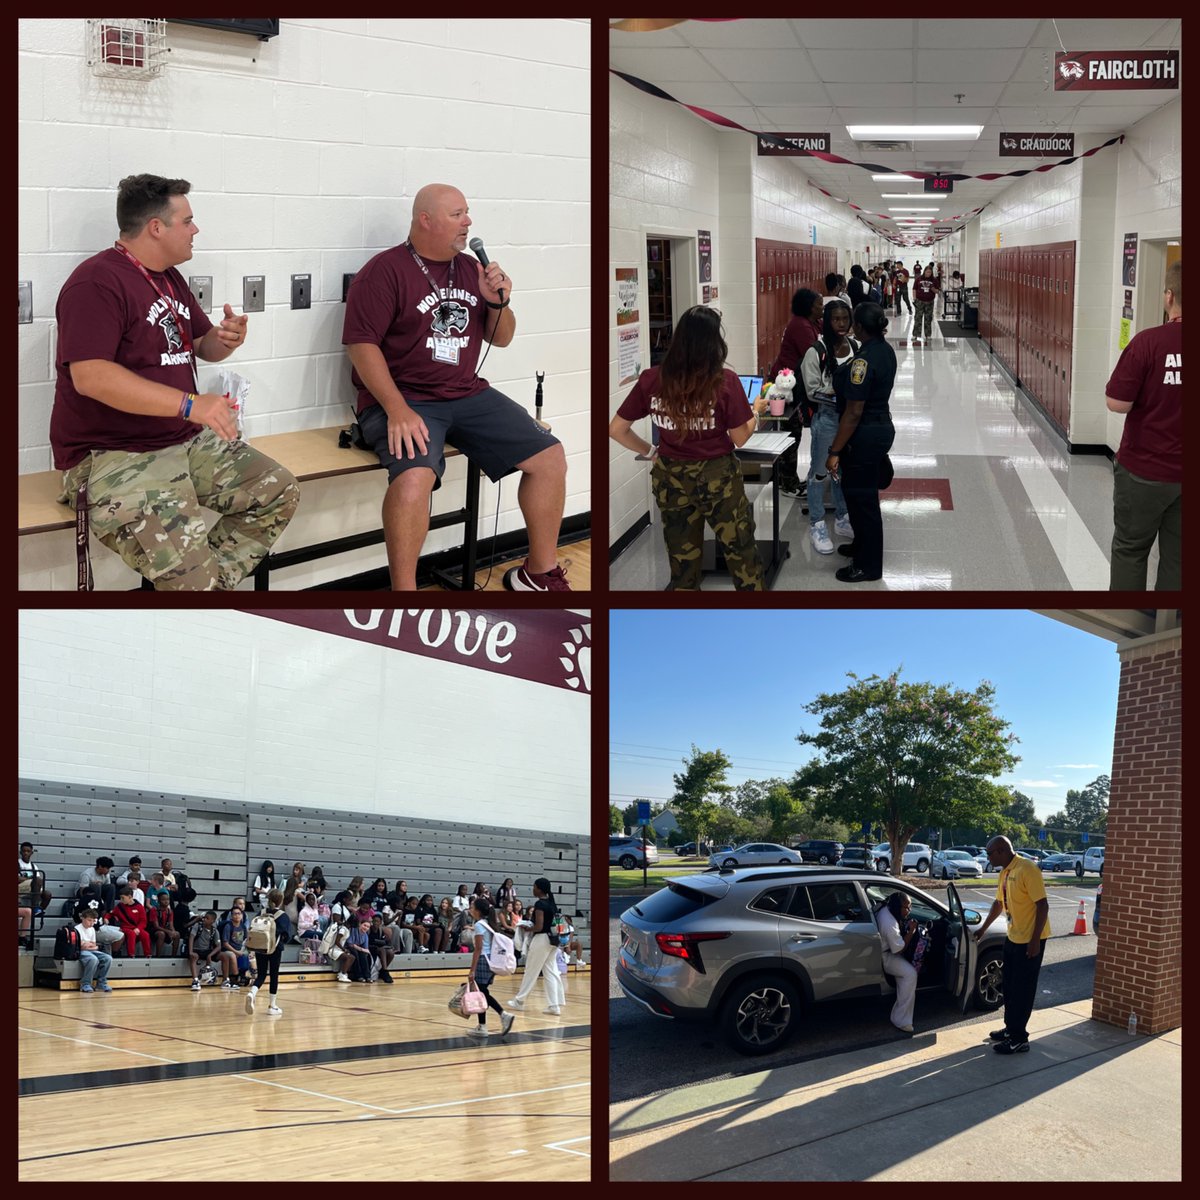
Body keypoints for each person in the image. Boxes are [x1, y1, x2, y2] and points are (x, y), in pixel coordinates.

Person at [51, 173, 299, 590]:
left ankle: (203, 587)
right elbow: (91, 377)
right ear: (156, 227)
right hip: (114, 457)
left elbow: (200, 344)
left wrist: (224, 340)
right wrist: (190, 404)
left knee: (277, 491)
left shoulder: (168, 278)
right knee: (193, 583)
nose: (195, 229)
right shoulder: (96, 283)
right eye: (187, 221)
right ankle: (198, 590)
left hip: (181, 442)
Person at [342, 182, 569, 591]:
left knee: (549, 457)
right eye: (457, 214)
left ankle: (538, 573)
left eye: (467, 213)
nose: (468, 222)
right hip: (404, 398)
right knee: (414, 479)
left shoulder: (470, 270)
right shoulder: (384, 271)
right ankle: (405, 593)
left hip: (466, 393)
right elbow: (361, 347)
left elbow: (501, 338)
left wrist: (499, 301)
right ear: (424, 220)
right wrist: (397, 409)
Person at [610, 305, 768, 591]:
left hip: (671, 479)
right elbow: (741, 437)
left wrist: (651, 451)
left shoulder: (652, 379)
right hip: (718, 478)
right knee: (741, 554)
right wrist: (756, 412)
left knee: (682, 563)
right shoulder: (725, 381)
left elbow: (616, 429)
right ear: (713, 343)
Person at [1105, 260, 1182, 590]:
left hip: (1144, 470)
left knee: (1131, 550)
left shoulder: (1149, 342)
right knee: (1180, 558)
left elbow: (1117, 403)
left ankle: (1128, 624)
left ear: (1169, 295)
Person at [827, 303, 897, 583]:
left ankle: (868, 566)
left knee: (862, 499)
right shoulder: (885, 350)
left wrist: (834, 451)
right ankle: (860, 547)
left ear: (859, 327)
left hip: (865, 432)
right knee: (857, 493)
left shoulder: (862, 361)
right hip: (879, 427)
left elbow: (854, 411)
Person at [974, 836, 1051, 1054]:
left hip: (1031, 939)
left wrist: (1035, 941)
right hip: (1014, 936)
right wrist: (983, 929)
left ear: (1000, 851)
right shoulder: (1005, 872)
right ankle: (1010, 1029)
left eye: (989, 854)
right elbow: (999, 903)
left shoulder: (1027, 869)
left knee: (1023, 989)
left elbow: (1043, 906)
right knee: (1008, 985)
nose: (987, 858)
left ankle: (1019, 1038)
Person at [800, 300, 858, 556]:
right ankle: (817, 523)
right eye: (836, 319)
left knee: (841, 469)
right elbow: (812, 392)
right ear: (826, 321)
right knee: (820, 471)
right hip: (827, 419)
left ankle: (843, 516)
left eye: (845, 318)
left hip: (851, 419)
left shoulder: (855, 346)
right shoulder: (816, 351)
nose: (842, 324)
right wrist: (840, 392)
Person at [768, 287, 825, 495]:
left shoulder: (812, 322)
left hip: (794, 383)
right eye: (819, 304)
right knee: (791, 433)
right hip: (785, 386)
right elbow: (814, 354)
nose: (823, 307)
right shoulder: (800, 326)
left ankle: (788, 478)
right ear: (809, 307)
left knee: (795, 431)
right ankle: (787, 483)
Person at [506, 877, 564, 1015]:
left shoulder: (540, 904)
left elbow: (539, 926)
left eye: (534, 886)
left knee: (531, 971)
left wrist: (526, 928)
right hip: (553, 940)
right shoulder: (551, 903)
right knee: (550, 972)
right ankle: (554, 1005)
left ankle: (519, 1001)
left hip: (541, 940)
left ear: (539, 888)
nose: (533, 889)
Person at [465, 897, 516, 1040]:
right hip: (491, 961)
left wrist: (472, 970)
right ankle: (482, 1026)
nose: (470, 909)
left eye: (472, 906)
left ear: (478, 910)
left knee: (481, 994)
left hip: (482, 961)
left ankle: (502, 1015)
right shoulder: (489, 923)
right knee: (482, 992)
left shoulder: (479, 925)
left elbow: (478, 949)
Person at [875, 892, 919, 1033]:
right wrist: (911, 931)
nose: (909, 910)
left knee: (906, 973)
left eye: (910, 907)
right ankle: (901, 1020)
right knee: (910, 974)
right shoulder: (890, 923)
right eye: (906, 907)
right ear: (897, 907)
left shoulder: (885, 910)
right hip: (885, 956)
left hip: (885, 950)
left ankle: (900, 1014)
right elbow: (899, 949)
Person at [245, 888, 290, 1015]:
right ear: (281, 900)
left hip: (260, 947)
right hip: (275, 948)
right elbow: (287, 935)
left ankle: (252, 993)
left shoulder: (261, 912)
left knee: (261, 975)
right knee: (274, 975)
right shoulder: (282, 916)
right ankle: (272, 1006)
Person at [75, 910, 114, 994]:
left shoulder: (92, 929)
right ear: (82, 918)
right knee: (93, 959)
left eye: (93, 921)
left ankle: (101, 983)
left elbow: (94, 944)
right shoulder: (77, 929)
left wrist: (88, 945)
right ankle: (85, 983)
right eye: (89, 920)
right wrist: (88, 945)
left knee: (108, 958)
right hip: (81, 951)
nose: (91, 923)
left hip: (90, 950)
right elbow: (81, 946)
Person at [110, 885, 152, 959]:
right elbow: (111, 913)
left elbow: (143, 921)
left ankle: (148, 955)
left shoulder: (139, 907)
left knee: (146, 935)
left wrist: (138, 928)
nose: (121, 900)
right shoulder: (120, 906)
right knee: (131, 934)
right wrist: (106, 918)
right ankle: (131, 955)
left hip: (136, 927)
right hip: (125, 927)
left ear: (130, 897)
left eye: (123, 898)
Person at [187, 911, 222, 990]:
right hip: (196, 949)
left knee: (225, 956)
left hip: (207, 950)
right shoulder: (197, 926)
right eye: (204, 917)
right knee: (193, 957)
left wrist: (210, 955)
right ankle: (195, 981)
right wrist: (190, 951)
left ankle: (226, 980)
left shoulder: (215, 931)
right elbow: (191, 938)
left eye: (207, 918)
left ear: (213, 921)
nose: (204, 919)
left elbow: (219, 946)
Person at [218, 906, 248, 989]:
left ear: (242, 915)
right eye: (235, 914)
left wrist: (246, 951)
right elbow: (225, 943)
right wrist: (236, 951)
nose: (237, 915)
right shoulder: (228, 926)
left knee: (251, 956)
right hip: (228, 949)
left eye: (239, 914)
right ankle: (234, 980)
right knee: (232, 955)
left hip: (240, 949)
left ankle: (250, 978)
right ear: (231, 916)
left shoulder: (243, 927)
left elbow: (246, 940)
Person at [18, 842, 52, 913]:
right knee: (37, 880)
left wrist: (40, 890)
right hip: (20, 888)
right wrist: (30, 879)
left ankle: (39, 910)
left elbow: (38, 881)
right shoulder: (18, 863)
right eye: (24, 851)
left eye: (28, 851)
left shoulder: (34, 866)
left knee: (47, 894)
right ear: (20, 852)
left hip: (32, 888)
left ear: (31, 853)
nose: (26, 853)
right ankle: (35, 907)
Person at [912, 264, 940, 343]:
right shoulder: (919, 279)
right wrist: (914, 298)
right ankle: (915, 334)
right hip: (920, 301)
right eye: (927, 272)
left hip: (929, 302)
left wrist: (933, 289)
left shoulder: (934, 280)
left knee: (928, 319)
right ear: (924, 272)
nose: (928, 274)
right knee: (918, 318)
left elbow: (938, 291)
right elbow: (914, 288)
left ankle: (928, 335)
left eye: (930, 272)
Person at [147, 890, 181, 958]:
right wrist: (168, 931)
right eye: (163, 899)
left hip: (164, 929)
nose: (166, 901)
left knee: (177, 934)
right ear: (159, 901)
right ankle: (158, 956)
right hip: (153, 930)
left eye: (167, 899)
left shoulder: (170, 911)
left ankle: (173, 956)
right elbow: (156, 926)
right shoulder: (154, 910)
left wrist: (173, 932)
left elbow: (171, 925)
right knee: (161, 934)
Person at [368, 914, 396, 984]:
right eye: (374, 921)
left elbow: (385, 942)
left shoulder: (381, 931)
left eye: (377, 921)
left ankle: (382, 970)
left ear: (380, 923)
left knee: (391, 952)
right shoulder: (369, 930)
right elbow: (369, 941)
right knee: (382, 950)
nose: (375, 923)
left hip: (378, 948)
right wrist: (379, 942)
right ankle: (385, 971)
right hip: (370, 948)